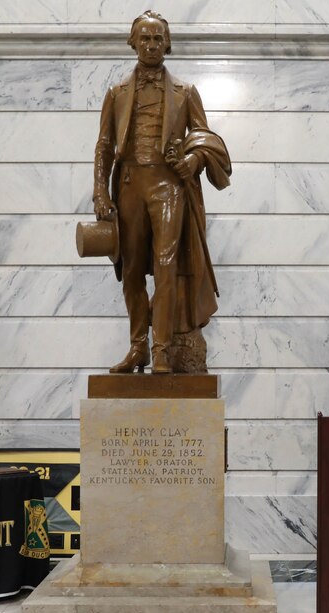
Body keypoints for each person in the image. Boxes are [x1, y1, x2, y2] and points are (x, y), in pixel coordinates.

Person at [93, 10, 231, 374]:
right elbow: (104, 146)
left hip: (168, 187)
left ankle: (164, 349)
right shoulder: (116, 92)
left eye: (157, 39)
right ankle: (138, 346)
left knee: (166, 265)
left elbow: (207, 140)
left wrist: (192, 162)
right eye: (145, 38)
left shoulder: (185, 92)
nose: (151, 45)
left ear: (167, 44)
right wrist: (99, 194)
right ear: (133, 42)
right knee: (133, 267)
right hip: (128, 187)